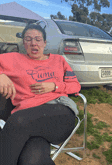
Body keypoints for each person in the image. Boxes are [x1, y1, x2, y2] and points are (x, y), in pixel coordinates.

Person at [0, 24, 81, 165]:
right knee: (30, 160)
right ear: (23, 43)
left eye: (38, 39)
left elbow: (75, 86)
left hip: (58, 112)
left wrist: (54, 86)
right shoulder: (12, 59)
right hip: (28, 120)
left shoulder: (58, 60)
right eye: (28, 39)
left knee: (17, 121)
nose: (33, 43)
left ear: (44, 43)